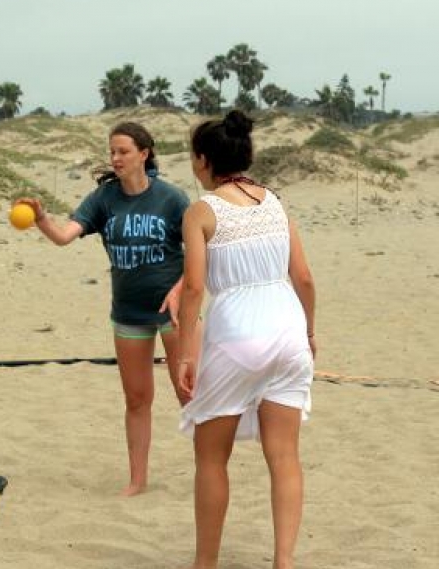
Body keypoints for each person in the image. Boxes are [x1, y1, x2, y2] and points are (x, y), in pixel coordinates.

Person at [17, 122, 199, 496]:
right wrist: (41, 220)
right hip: (129, 312)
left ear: (144, 154)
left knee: (188, 393)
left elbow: (201, 254)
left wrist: (181, 289)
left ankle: (207, 472)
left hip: (175, 313)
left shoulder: (171, 198)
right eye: (112, 152)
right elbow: (64, 237)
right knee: (136, 398)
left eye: (123, 151)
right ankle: (137, 480)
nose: (115, 159)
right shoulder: (103, 199)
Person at [176, 110, 316, 569]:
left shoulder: (202, 210)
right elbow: (304, 278)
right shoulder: (275, 202)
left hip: (237, 334)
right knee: (286, 457)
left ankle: (205, 563)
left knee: (212, 459)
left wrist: (185, 353)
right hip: (288, 328)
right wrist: (309, 333)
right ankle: (284, 561)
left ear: (203, 161)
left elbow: (194, 288)